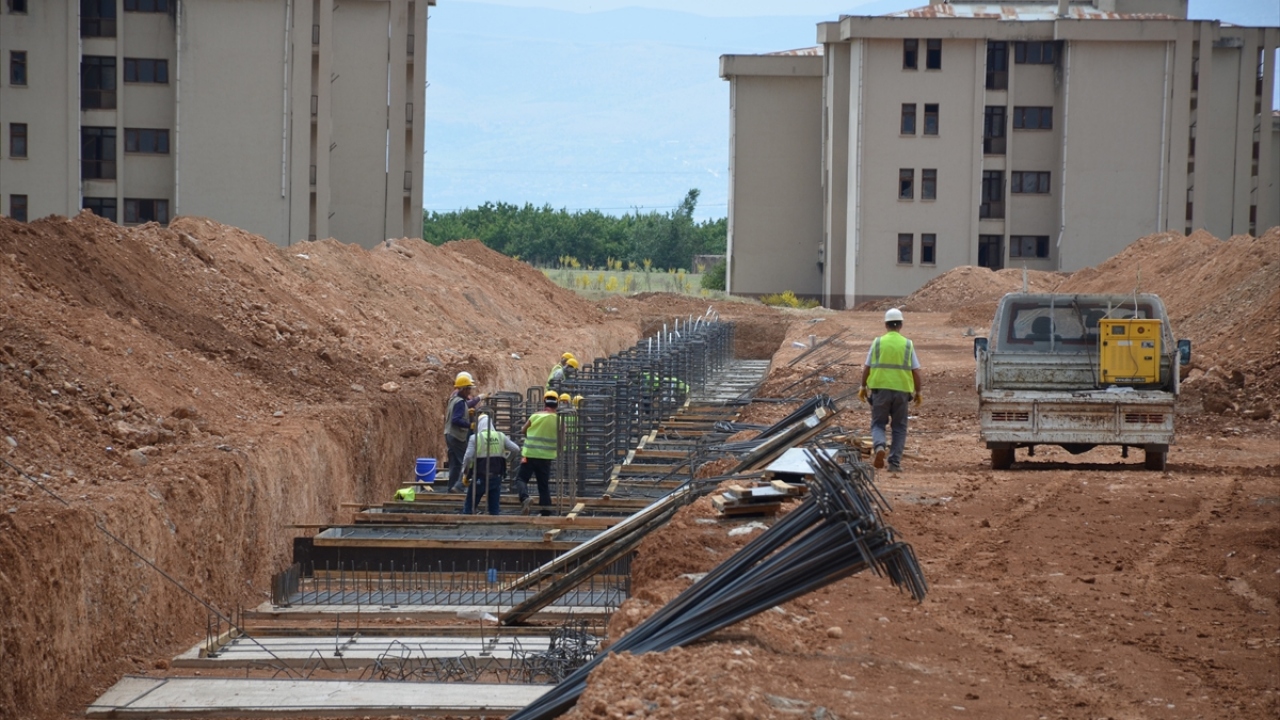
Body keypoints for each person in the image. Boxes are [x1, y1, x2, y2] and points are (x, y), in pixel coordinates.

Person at [858, 308, 922, 473]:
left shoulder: (878, 342)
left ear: (886, 325)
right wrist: (918, 392)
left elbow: (867, 367)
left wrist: (863, 386)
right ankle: (894, 463)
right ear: (900, 325)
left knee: (878, 424)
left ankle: (879, 446)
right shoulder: (907, 344)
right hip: (902, 393)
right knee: (899, 428)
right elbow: (916, 371)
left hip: (880, 391)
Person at [461, 413, 520, 515]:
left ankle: (465, 524)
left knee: (469, 506)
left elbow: (468, 457)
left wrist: (465, 473)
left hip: (480, 477)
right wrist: (507, 459)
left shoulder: (474, 438)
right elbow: (516, 449)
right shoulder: (500, 436)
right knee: (494, 509)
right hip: (496, 477)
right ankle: (494, 526)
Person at [515, 390, 561, 515]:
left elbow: (523, 430)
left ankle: (525, 498)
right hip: (546, 457)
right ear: (557, 404)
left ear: (544, 402)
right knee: (543, 485)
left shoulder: (535, 416)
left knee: (521, 479)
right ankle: (546, 513)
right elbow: (562, 436)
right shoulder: (559, 420)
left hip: (529, 455)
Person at [444, 371, 484, 493]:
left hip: (449, 435)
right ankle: (459, 486)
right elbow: (456, 419)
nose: (470, 391)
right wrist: (469, 424)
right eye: (468, 389)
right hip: (457, 436)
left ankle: (451, 488)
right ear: (464, 389)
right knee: (467, 461)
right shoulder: (460, 402)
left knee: (455, 464)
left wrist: (468, 413)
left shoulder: (454, 399)